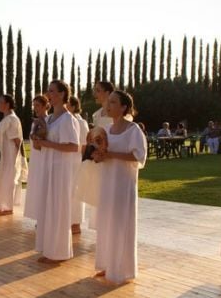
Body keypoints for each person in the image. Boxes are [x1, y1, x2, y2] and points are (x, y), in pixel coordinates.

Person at [91, 90, 147, 284]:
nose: (108, 105)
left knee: (121, 224)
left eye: (113, 102)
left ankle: (121, 269)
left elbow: (139, 156)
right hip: (107, 181)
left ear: (124, 107)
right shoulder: (106, 130)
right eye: (108, 102)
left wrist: (111, 155)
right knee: (107, 222)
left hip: (123, 184)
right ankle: (107, 264)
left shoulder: (133, 130)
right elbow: (102, 152)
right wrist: (98, 156)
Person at [31, 80, 80, 264]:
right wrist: (37, 142)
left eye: (51, 91)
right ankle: (49, 249)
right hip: (48, 167)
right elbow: (44, 145)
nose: (48, 93)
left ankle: (59, 252)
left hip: (61, 170)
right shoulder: (50, 119)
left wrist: (46, 144)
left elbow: (73, 146)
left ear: (61, 94)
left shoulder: (68, 119)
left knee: (58, 209)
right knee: (47, 208)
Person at [0, 94, 26, 216]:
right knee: (0, 179)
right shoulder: (5, 119)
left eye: (0, 101)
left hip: (10, 157)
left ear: (7, 104)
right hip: (2, 157)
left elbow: (18, 140)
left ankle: (8, 207)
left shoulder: (12, 119)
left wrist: (18, 159)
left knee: (8, 180)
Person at [23, 95, 50, 222]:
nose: (35, 108)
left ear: (46, 106)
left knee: (44, 187)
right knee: (36, 187)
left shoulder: (50, 121)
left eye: (38, 105)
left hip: (44, 157)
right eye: (34, 105)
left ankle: (45, 217)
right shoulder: (34, 122)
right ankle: (39, 217)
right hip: (35, 158)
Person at [66, 95, 89, 234]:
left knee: (76, 192)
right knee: (66, 192)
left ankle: (75, 223)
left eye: (67, 104)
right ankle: (66, 220)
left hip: (76, 161)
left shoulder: (81, 122)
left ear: (74, 106)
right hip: (66, 161)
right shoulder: (65, 120)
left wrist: (81, 160)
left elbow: (85, 145)